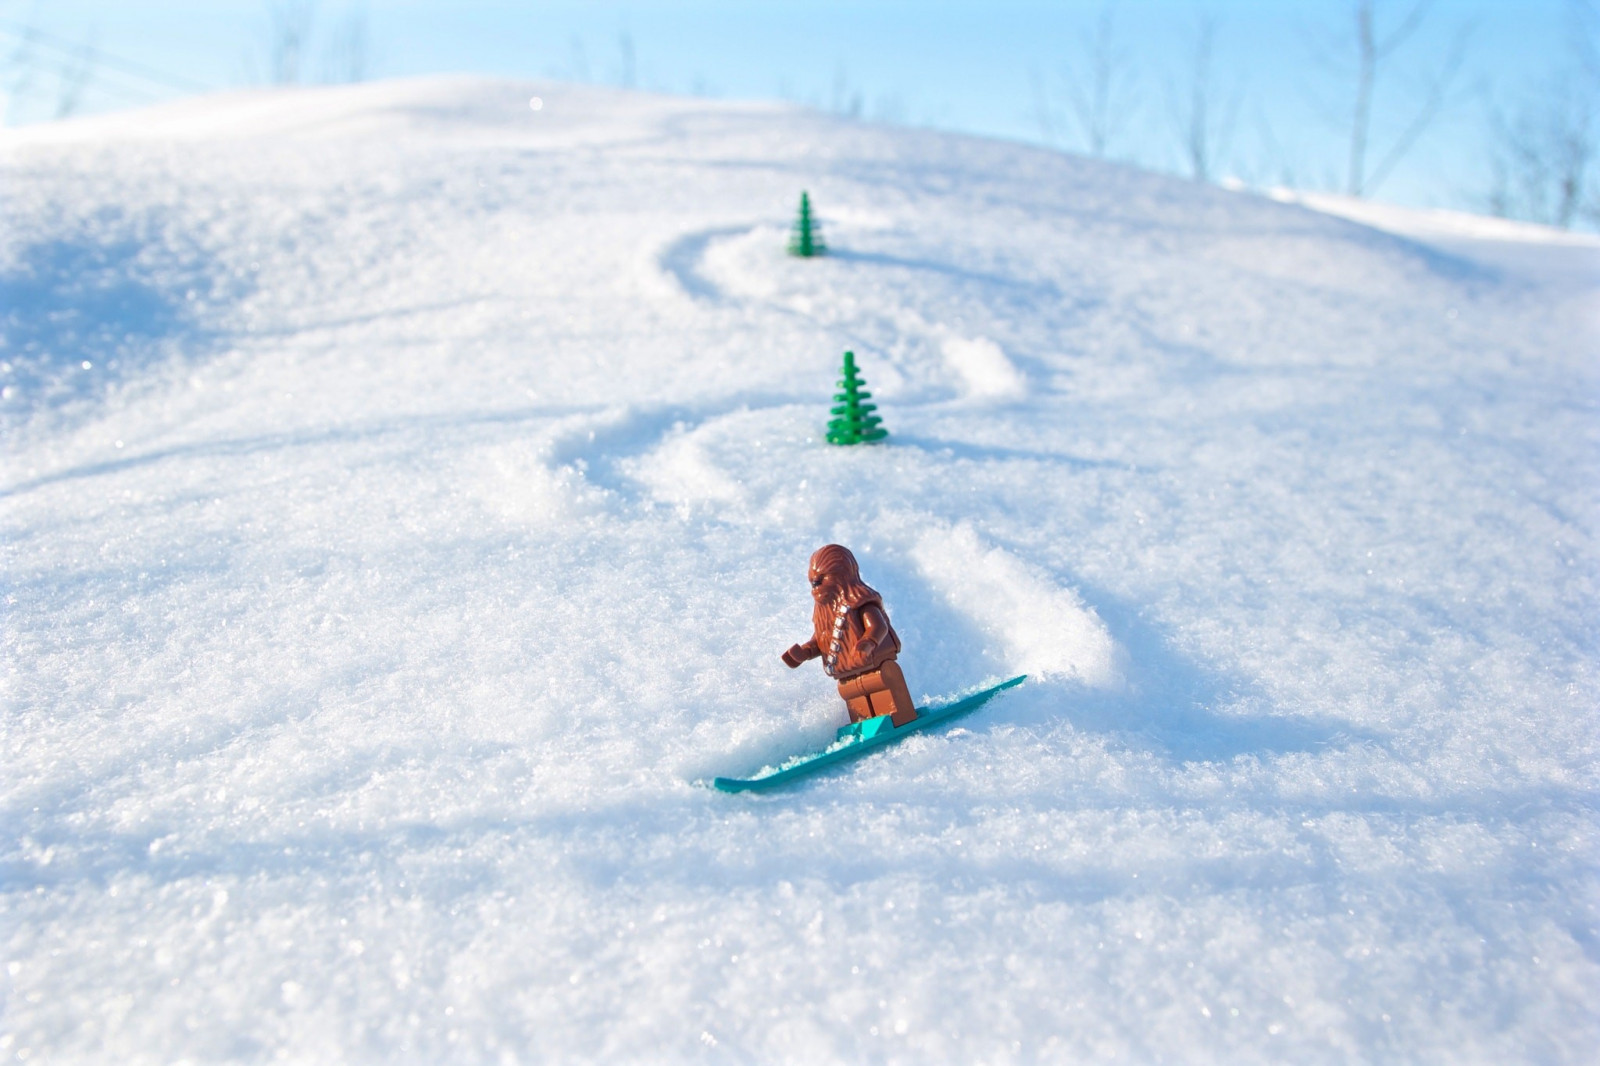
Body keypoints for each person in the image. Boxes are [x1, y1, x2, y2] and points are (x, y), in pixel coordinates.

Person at [781, 544, 917, 727]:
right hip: (846, 671)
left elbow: (878, 626)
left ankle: (898, 717)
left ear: (842, 576)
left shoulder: (859, 602)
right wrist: (804, 652)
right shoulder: (825, 614)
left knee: (880, 684)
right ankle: (863, 725)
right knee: (850, 692)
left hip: (876, 665)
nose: (814, 587)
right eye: (812, 582)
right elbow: (820, 640)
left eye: (820, 580)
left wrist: (869, 642)